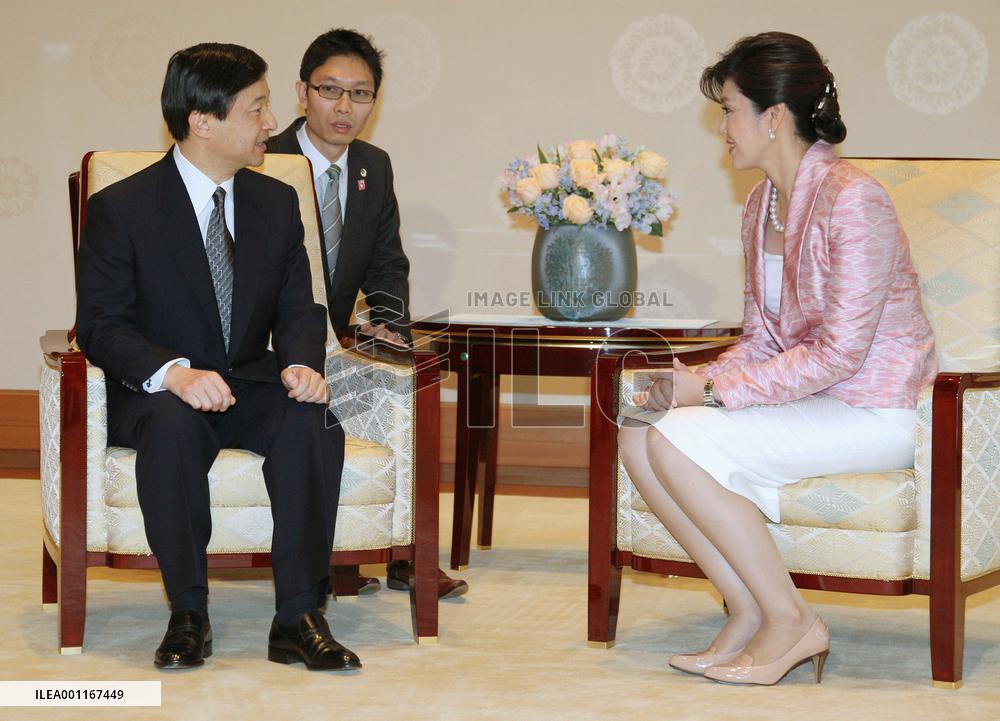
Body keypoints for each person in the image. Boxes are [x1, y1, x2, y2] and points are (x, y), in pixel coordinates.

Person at [619, 32, 936, 686]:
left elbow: (843, 352)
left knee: (677, 441)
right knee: (636, 426)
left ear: (773, 117)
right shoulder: (761, 204)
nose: (723, 130)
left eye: (730, 111)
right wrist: (693, 378)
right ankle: (747, 609)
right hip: (815, 398)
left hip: (877, 406)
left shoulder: (855, 200)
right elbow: (763, 339)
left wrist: (706, 396)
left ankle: (792, 621)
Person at [75, 43, 361, 672]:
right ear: (202, 120)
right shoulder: (122, 209)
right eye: (257, 108)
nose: (269, 123)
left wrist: (300, 362)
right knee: (174, 430)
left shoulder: (273, 202)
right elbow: (99, 325)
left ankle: (298, 616)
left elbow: (298, 309)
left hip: (249, 379)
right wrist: (173, 373)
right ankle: (188, 612)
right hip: (160, 391)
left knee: (310, 420)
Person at [267, 28, 467, 600]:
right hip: (272, 343)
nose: (344, 107)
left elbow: (386, 264)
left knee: (405, 390)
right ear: (302, 92)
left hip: (340, 339)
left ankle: (406, 553)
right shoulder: (263, 160)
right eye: (331, 90)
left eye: (361, 94)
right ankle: (332, 556)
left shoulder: (372, 167)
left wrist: (390, 325)